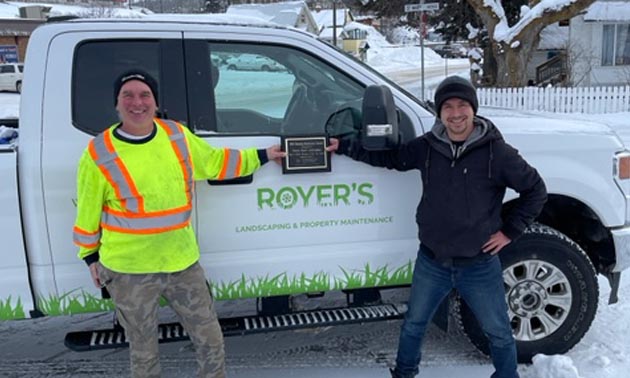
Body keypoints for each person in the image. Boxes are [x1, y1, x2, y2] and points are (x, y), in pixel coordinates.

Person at [72, 70, 285, 378]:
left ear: (155, 102)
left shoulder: (175, 135)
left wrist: (264, 155)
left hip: (182, 263)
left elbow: (214, 163)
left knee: (210, 339)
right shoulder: (99, 152)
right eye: (127, 95)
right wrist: (90, 257)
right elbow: (88, 211)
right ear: (116, 104)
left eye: (145, 95)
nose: (137, 102)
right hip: (129, 270)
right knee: (143, 352)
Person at [331, 76, 547, 378]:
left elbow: (536, 190)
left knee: (498, 331)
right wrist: (343, 146)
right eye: (448, 107)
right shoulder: (428, 147)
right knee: (414, 325)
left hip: (479, 264)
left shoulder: (498, 152)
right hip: (432, 260)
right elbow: (389, 157)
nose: (455, 114)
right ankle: (405, 373)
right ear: (439, 112)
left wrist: (510, 231)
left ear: (473, 109)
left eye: (462, 106)